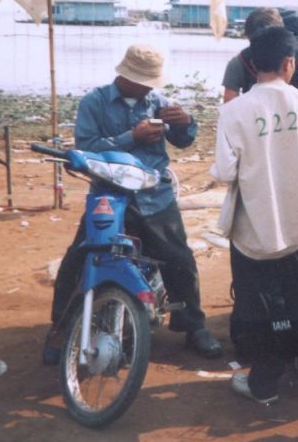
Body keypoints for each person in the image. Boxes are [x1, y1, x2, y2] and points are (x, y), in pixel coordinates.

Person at [44, 44, 222, 364]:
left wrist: (185, 122)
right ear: (124, 75)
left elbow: (183, 140)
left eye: (151, 81)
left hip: (155, 194)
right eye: (144, 80)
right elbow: (87, 150)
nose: (149, 87)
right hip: (110, 196)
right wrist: (132, 137)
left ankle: (193, 326)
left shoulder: (158, 102)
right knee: (79, 259)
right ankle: (62, 327)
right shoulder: (94, 103)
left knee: (179, 258)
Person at [211, 26, 298, 404]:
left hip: (253, 228)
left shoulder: (234, 111)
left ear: (249, 63)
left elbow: (224, 172)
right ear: (289, 63)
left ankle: (264, 383)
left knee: (255, 304)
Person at [222, 7, 298, 285]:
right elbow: (229, 100)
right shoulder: (238, 63)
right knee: (290, 228)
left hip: (291, 152)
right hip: (260, 149)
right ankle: (256, 292)